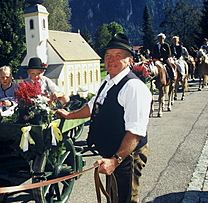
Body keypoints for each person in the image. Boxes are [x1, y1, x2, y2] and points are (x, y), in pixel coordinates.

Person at [56, 33, 151, 203]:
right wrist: (69, 116)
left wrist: (115, 161)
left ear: (129, 60)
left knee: (125, 199)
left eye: (118, 55)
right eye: (108, 55)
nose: (111, 59)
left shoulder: (133, 87)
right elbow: (92, 107)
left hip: (127, 156)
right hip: (113, 154)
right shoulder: (108, 81)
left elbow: (135, 132)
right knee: (113, 197)